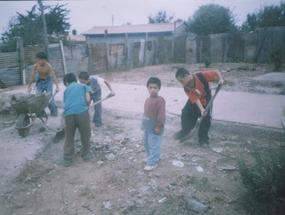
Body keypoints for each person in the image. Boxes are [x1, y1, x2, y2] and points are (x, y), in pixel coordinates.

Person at [174, 68, 224, 146]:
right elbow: (195, 99)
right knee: (185, 112)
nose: (181, 83)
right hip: (195, 100)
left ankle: (203, 139)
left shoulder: (201, 76)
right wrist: (201, 109)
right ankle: (185, 131)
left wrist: (220, 79)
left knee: (206, 117)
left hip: (206, 97)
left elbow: (216, 72)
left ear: (187, 76)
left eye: (181, 81)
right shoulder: (186, 87)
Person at [62, 73, 93, 167]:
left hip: (68, 115)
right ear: (75, 80)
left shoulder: (66, 90)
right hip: (82, 113)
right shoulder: (84, 86)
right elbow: (88, 99)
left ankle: (67, 158)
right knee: (85, 133)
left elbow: (65, 104)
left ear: (67, 83)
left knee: (69, 136)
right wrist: (86, 106)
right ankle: (86, 154)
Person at [142, 77, 165, 171]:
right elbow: (145, 113)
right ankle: (151, 157)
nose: (152, 90)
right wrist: (143, 125)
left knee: (154, 144)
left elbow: (161, 115)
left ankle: (153, 162)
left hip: (155, 127)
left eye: (155, 87)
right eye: (150, 87)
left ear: (159, 88)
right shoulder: (147, 100)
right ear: (147, 88)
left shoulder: (160, 101)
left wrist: (158, 126)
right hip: (147, 126)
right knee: (147, 143)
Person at [27, 52, 59, 116]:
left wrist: (57, 86)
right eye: (38, 59)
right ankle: (40, 113)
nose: (39, 61)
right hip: (39, 82)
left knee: (49, 98)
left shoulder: (48, 66)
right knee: (38, 98)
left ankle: (54, 112)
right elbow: (32, 76)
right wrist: (29, 86)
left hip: (48, 82)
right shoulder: (36, 66)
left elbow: (53, 76)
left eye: (41, 60)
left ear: (45, 60)